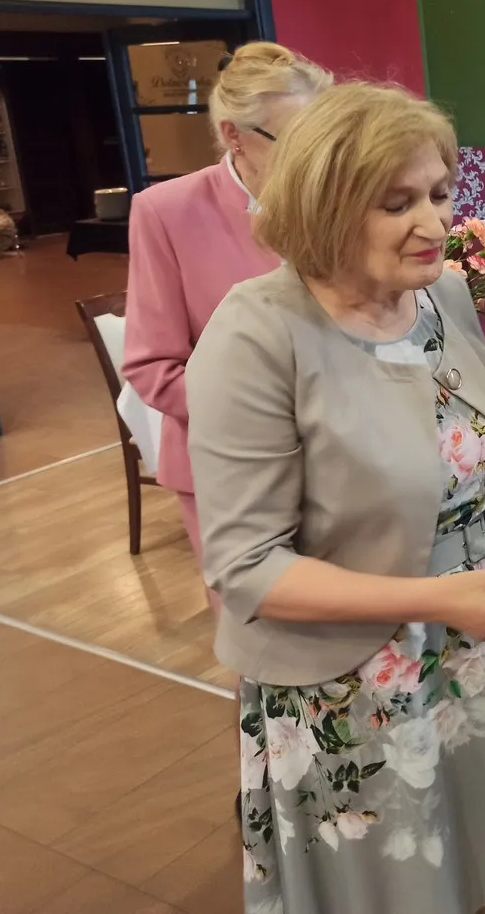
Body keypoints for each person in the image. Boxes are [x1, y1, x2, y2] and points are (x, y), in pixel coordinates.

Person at [185, 82, 485, 913]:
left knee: (468, 868)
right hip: (345, 677)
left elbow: (477, 481)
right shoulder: (258, 332)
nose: (434, 223)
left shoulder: (443, 295)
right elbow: (246, 568)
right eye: (397, 204)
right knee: (388, 884)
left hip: (462, 650)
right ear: (325, 206)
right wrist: (435, 600)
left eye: (439, 193)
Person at [122, 41, 331, 608]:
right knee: (265, 633)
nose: (315, 158)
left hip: (340, 460)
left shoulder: (333, 198)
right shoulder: (166, 211)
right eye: (295, 139)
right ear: (234, 135)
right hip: (231, 471)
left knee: (355, 635)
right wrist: (273, 419)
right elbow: (152, 366)